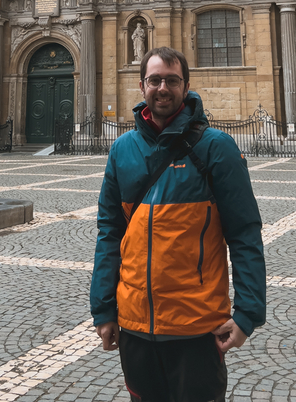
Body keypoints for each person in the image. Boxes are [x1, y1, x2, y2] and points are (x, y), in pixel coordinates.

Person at [90, 46, 265, 402]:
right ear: (142, 86)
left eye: (172, 80)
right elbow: (110, 233)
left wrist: (248, 314)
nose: (163, 88)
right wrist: (104, 309)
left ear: (186, 86)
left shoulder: (216, 148)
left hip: (196, 326)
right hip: (135, 326)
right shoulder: (122, 150)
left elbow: (244, 233)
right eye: (155, 80)